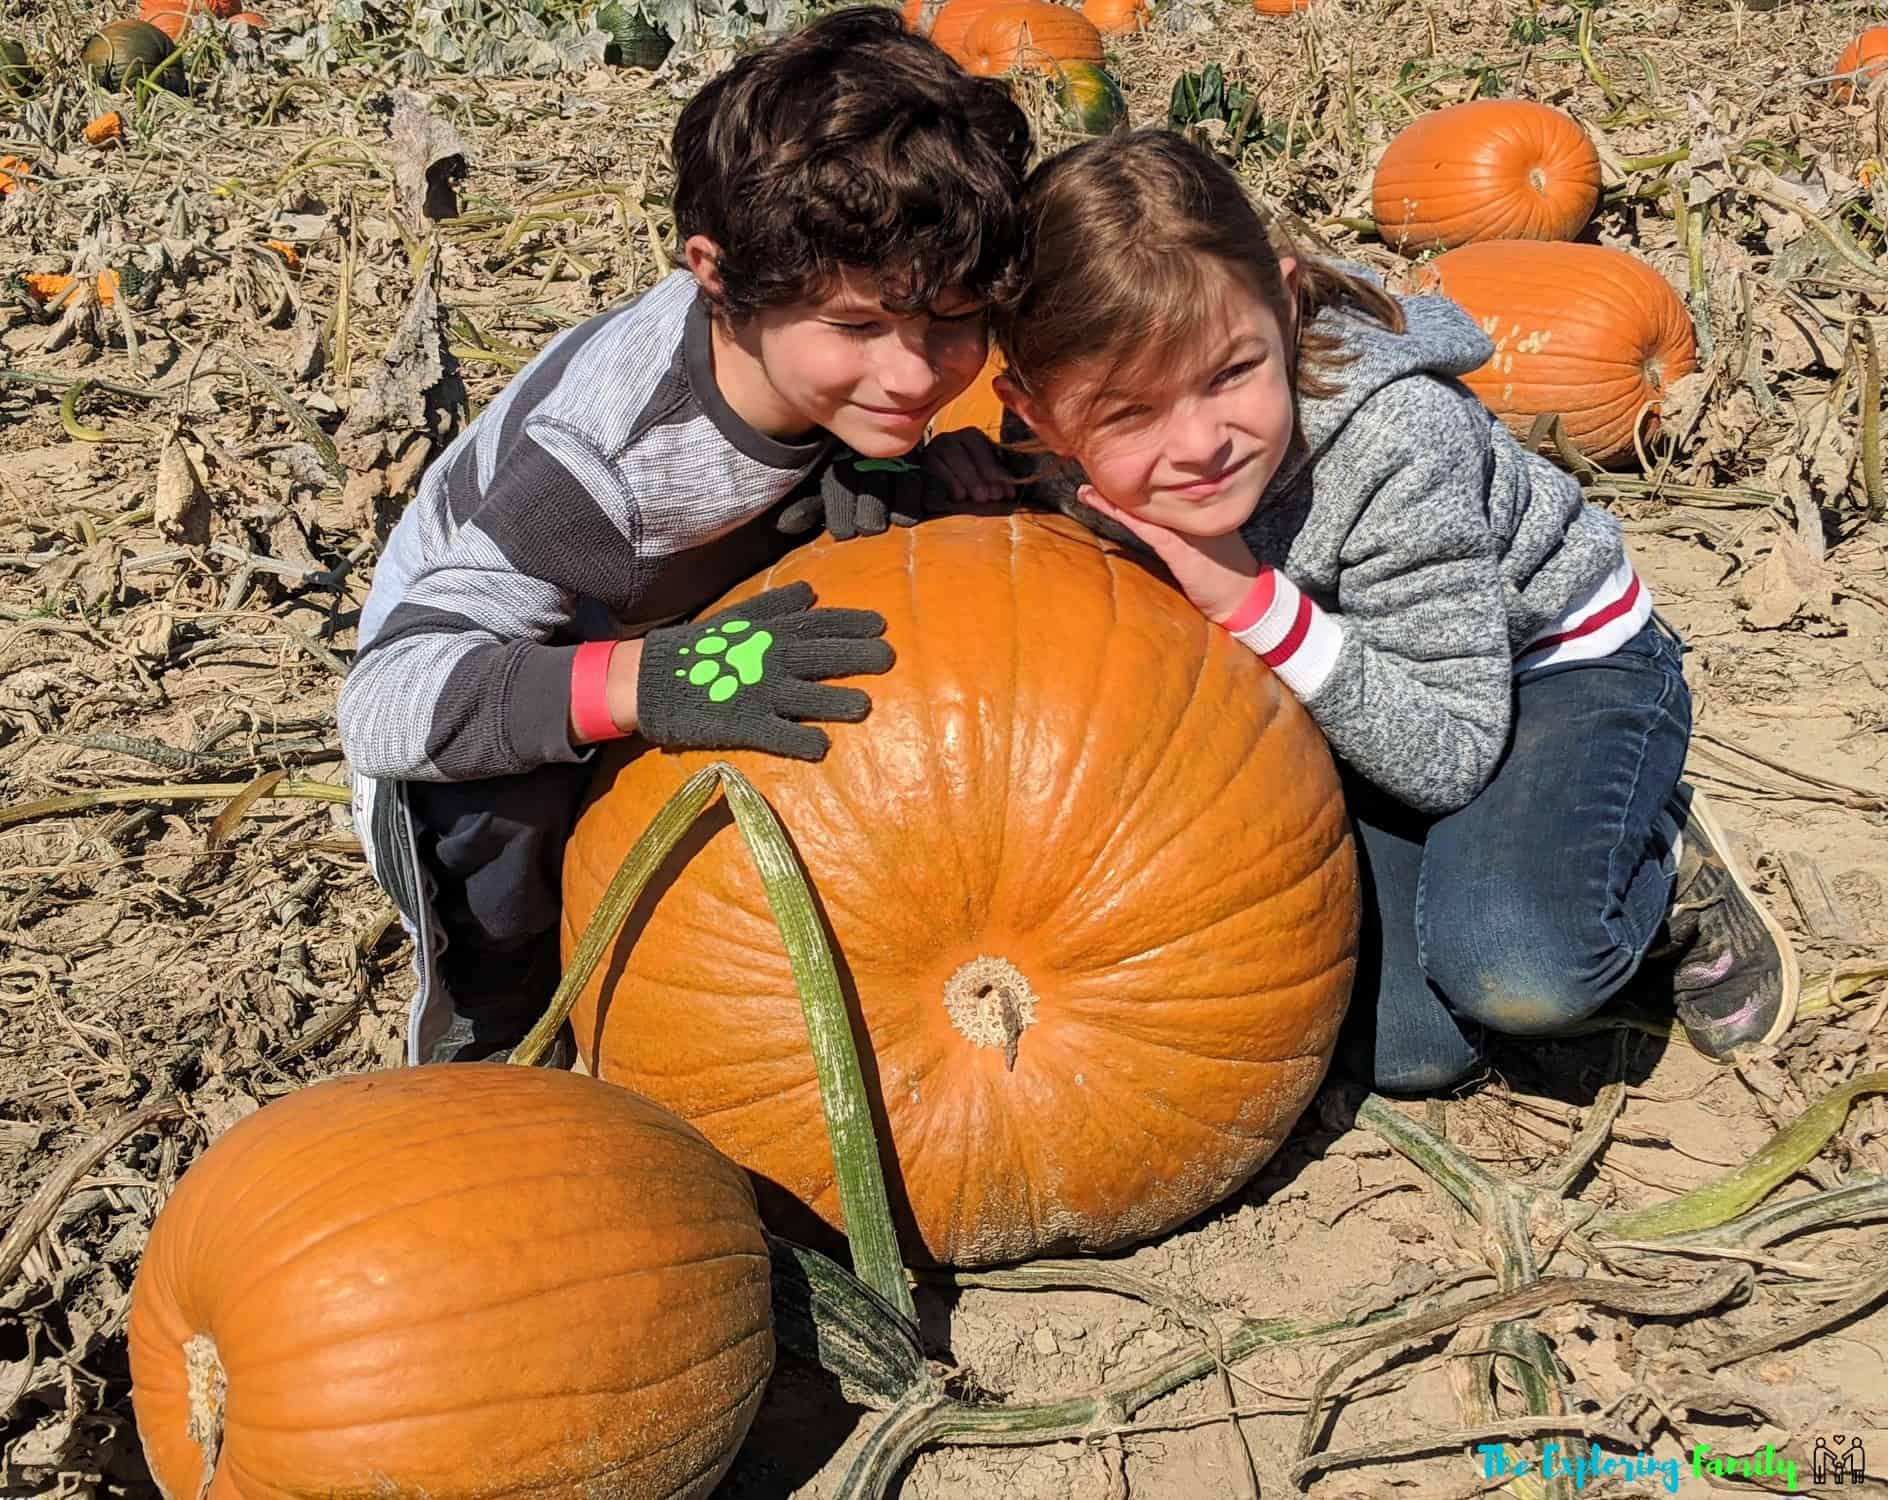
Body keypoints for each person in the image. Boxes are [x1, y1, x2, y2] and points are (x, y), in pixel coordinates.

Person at [931, 127, 1799, 1092]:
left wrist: (1253, 604)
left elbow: (1454, 748)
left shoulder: (1397, 440)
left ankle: (1655, 851)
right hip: (1359, 693)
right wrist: (944, 471)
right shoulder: (1055, 454)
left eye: (1231, 374)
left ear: (1287, 305)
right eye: (1130, 414)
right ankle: (1512, 862)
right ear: (1036, 414)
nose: (1200, 443)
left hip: (1544, 667)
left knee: (1519, 975)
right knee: (1407, 1050)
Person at [338, 7, 1031, 1066]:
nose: (913, 371)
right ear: (717, 274)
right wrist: (654, 683)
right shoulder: (602, 458)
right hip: (480, 712)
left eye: (952, 320)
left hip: (670, 601)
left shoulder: (838, 339)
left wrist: (893, 458)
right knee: (502, 824)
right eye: (857, 330)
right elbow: (387, 706)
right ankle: (501, 1041)